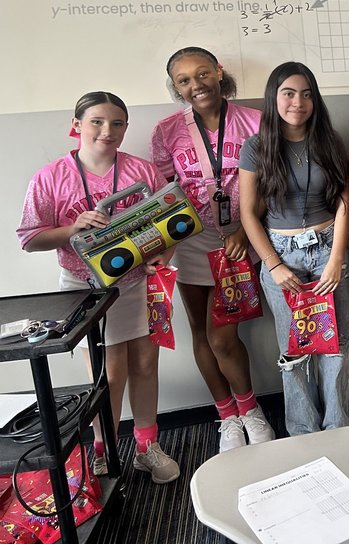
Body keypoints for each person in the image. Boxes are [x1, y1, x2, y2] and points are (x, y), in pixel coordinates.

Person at [17, 92, 180, 484]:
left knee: (145, 363)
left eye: (117, 123)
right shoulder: (51, 176)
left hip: (139, 282)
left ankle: (146, 446)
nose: (108, 131)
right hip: (84, 287)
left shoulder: (140, 171)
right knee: (107, 375)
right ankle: (103, 447)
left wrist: (164, 255)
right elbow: (29, 237)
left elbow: (171, 218)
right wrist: (73, 228)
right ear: (76, 125)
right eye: (97, 121)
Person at [150, 46, 274, 452]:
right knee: (201, 334)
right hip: (189, 243)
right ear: (177, 87)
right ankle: (228, 417)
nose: (195, 85)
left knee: (222, 336)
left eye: (202, 74)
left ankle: (251, 410)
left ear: (218, 73)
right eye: (183, 80)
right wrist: (165, 246)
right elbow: (165, 194)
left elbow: (272, 184)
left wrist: (244, 228)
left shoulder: (256, 122)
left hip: (238, 241)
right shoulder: (167, 131)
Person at [238, 62, 349, 435]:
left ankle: (337, 424)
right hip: (281, 254)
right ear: (275, 97)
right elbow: (248, 214)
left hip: (327, 249)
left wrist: (336, 259)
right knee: (295, 349)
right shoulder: (256, 147)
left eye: (306, 94)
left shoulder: (329, 141)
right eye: (288, 93)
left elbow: (343, 202)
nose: (298, 102)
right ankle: (302, 431)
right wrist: (273, 265)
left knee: (335, 347)